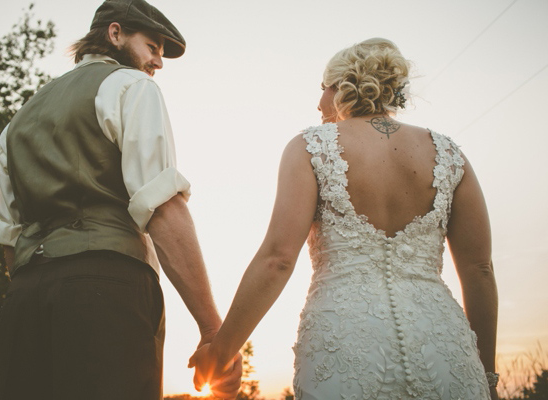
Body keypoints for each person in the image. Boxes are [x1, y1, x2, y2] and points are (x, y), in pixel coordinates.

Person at [189, 38, 499, 399]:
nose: (318, 102)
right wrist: (486, 375)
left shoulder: (310, 146)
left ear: (340, 87)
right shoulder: (448, 152)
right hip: (445, 347)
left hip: (345, 348)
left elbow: (277, 260)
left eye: (322, 88)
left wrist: (221, 352)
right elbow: (479, 271)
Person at [0, 1, 241, 399]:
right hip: (107, 292)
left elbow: (9, 236)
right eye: (153, 46)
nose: (157, 62)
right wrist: (212, 329)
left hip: (24, 299)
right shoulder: (131, 87)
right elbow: (160, 204)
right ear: (115, 34)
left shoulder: (18, 120)